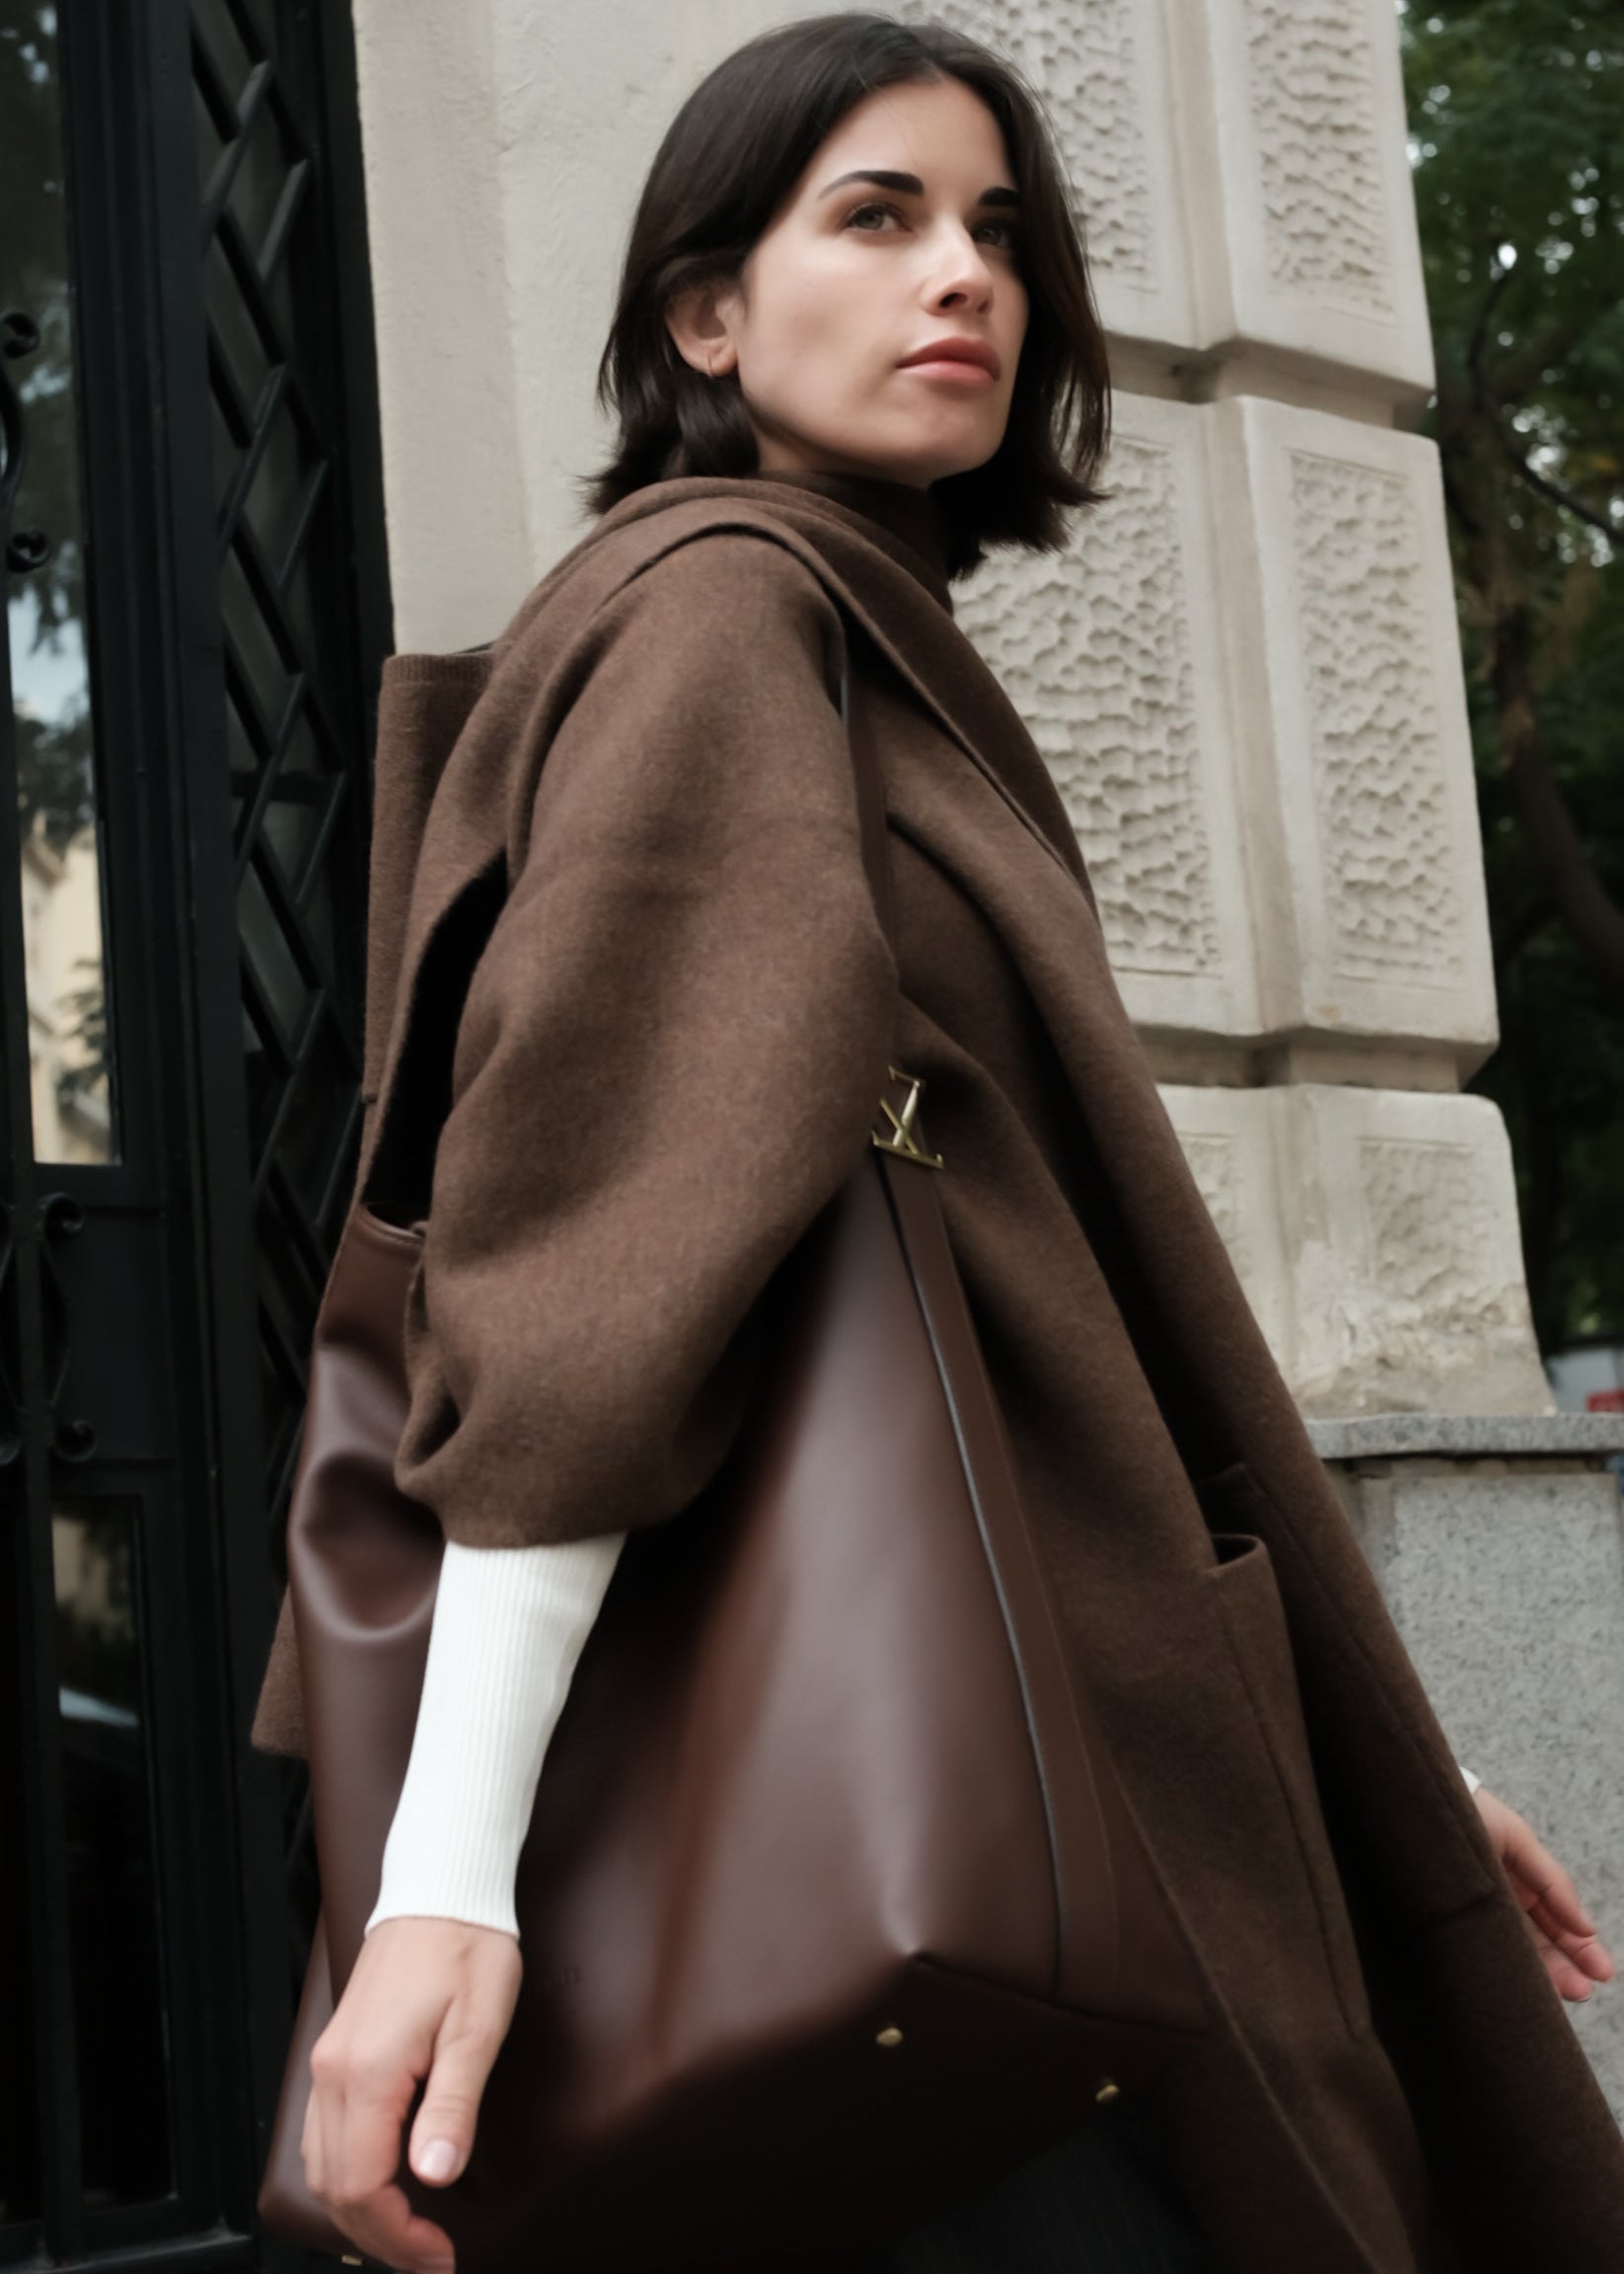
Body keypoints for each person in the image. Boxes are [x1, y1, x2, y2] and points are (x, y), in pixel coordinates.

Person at [259, 16, 1624, 2273]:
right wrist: (442, 1878)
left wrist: (1368, 1777)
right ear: (708, 315)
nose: (964, 274)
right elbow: (593, 1283)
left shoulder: (850, 637)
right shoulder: (726, 617)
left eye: (996, 230)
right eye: (875, 217)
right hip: (945, 1833)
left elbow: (1082, 1327)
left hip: (1035, 1786)